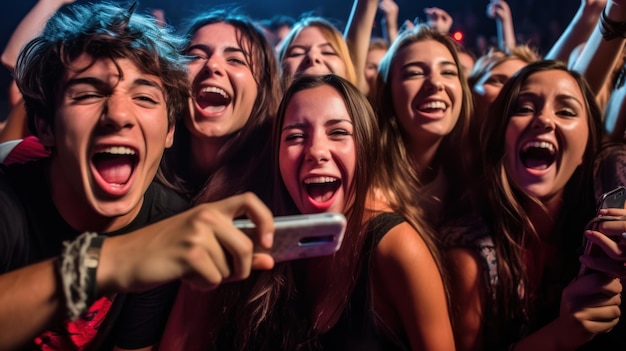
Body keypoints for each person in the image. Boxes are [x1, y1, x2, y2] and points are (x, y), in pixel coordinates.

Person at [0, 3, 276, 350]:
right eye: (87, 94)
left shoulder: (171, 221)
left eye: (144, 96)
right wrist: (115, 260)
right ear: (45, 126)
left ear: (170, 129)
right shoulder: (9, 195)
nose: (117, 114)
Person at [160, 74, 454, 350]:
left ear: (366, 149)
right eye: (295, 136)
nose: (316, 150)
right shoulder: (257, 236)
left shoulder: (396, 248)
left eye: (338, 132)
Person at [444, 60, 622, 350]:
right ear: (502, 137)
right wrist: (561, 335)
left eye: (565, 111)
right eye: (524, 108)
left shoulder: (607, 196)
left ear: (584, 152)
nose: (544, 120)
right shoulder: (469, 254)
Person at [158, 9, 281, 202]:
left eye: (235, 60)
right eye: (196, 56)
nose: (213, 65)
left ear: (262, 90)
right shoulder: (146, 183)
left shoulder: (278, 192)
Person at [375, 24, 473, 226]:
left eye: (448, 72)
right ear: (387, 93)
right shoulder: (367, 178)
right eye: (414, 73)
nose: (436, 83)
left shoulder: (474, 174)